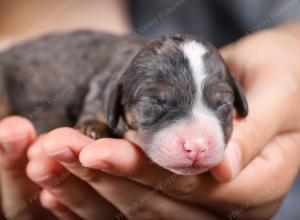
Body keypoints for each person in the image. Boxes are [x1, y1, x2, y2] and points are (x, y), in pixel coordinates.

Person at [0, 1, 299, 219]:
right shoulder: (112, 88)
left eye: (220, 103)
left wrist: (291, 47)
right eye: (155, 103)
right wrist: (97, 126)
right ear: (116, 102)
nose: (196, 141)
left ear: (238, 99)